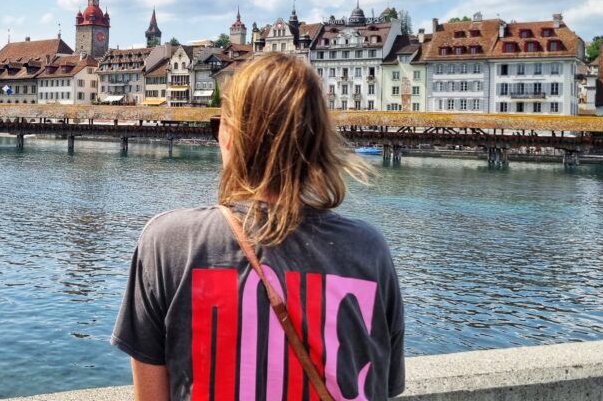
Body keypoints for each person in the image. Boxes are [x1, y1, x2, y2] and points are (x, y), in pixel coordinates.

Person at [111, 52, 404, 401]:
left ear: (230, 136)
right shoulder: (369, 251)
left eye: (219, 124)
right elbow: (382, 385)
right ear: (319, 140)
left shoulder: (168, 244)